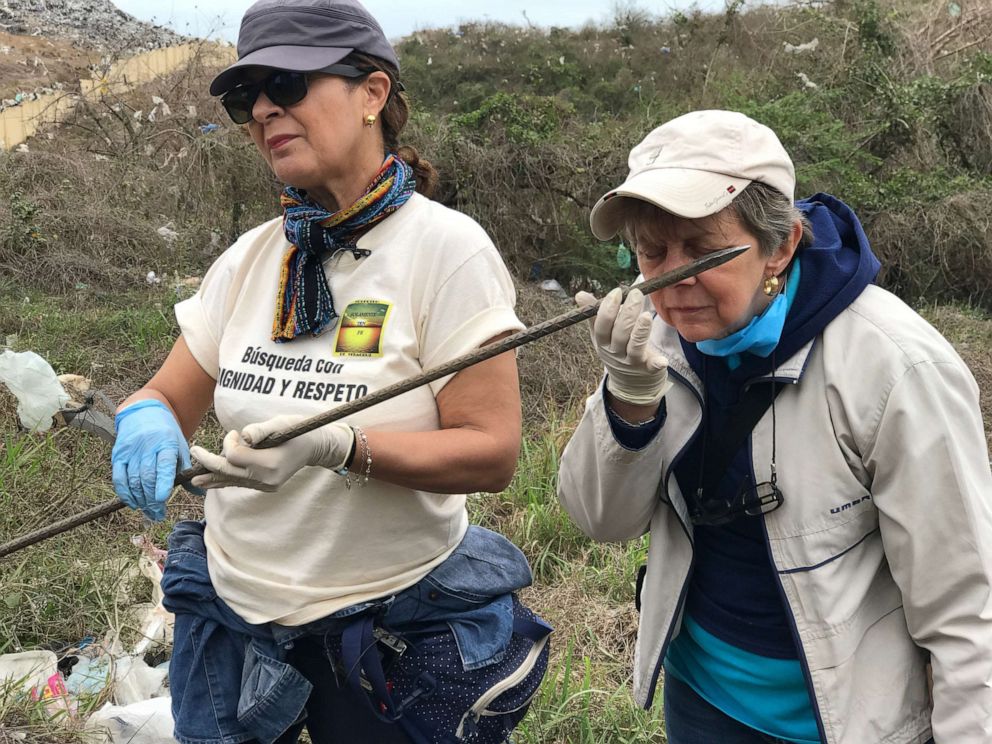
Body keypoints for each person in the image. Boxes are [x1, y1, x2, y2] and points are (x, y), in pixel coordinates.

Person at [109, 1, 550, 742]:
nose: (262, 110)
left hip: (384, 632)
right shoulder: (253, 257)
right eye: (244, 97)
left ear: (373, 92)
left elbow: (492, 450)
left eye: (286, 81)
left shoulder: (447, 251)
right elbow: (166, 394)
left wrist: (342, 446)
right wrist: (144, 417)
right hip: (234, 625)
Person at [556, 109, 992, 744]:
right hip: (699, 696)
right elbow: (600, 521)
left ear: (781, 244)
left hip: (840, 721)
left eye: (703, 249)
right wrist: (628, 399)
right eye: (653, 251)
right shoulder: (658, 343)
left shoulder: (894, 367)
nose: (674, 281)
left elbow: (966, 607)